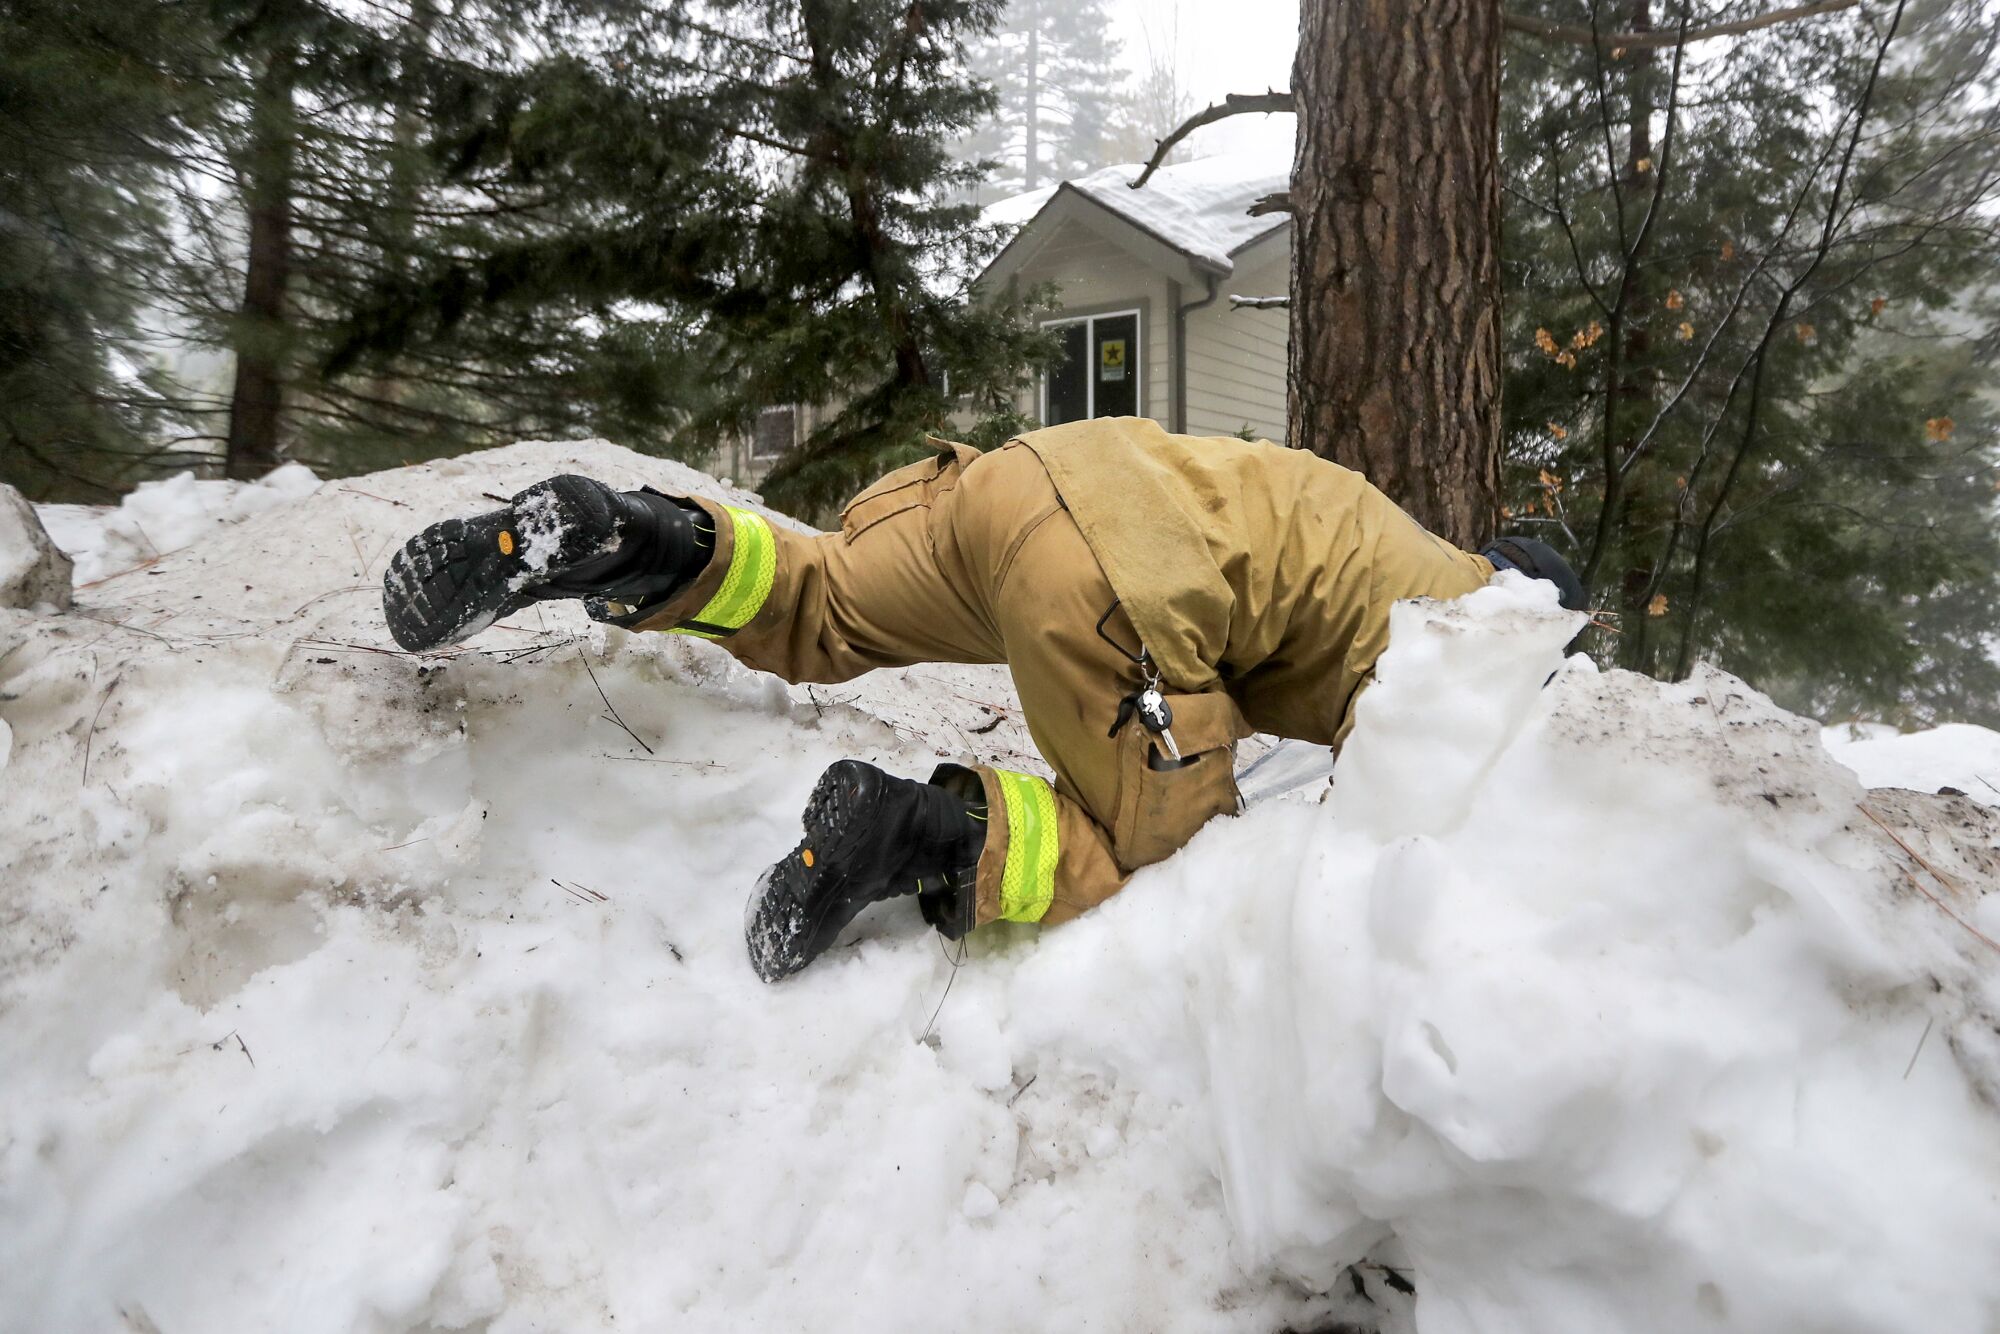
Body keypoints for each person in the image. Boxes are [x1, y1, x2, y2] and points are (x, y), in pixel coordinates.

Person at [383, 417, 1585, 981]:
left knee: (822, 600)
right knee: (1177, 874)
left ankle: (629, 539)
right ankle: (921, 833)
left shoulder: (1385, 530)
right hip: (1123, 579)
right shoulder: (1477, 641)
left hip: (1023, 481)